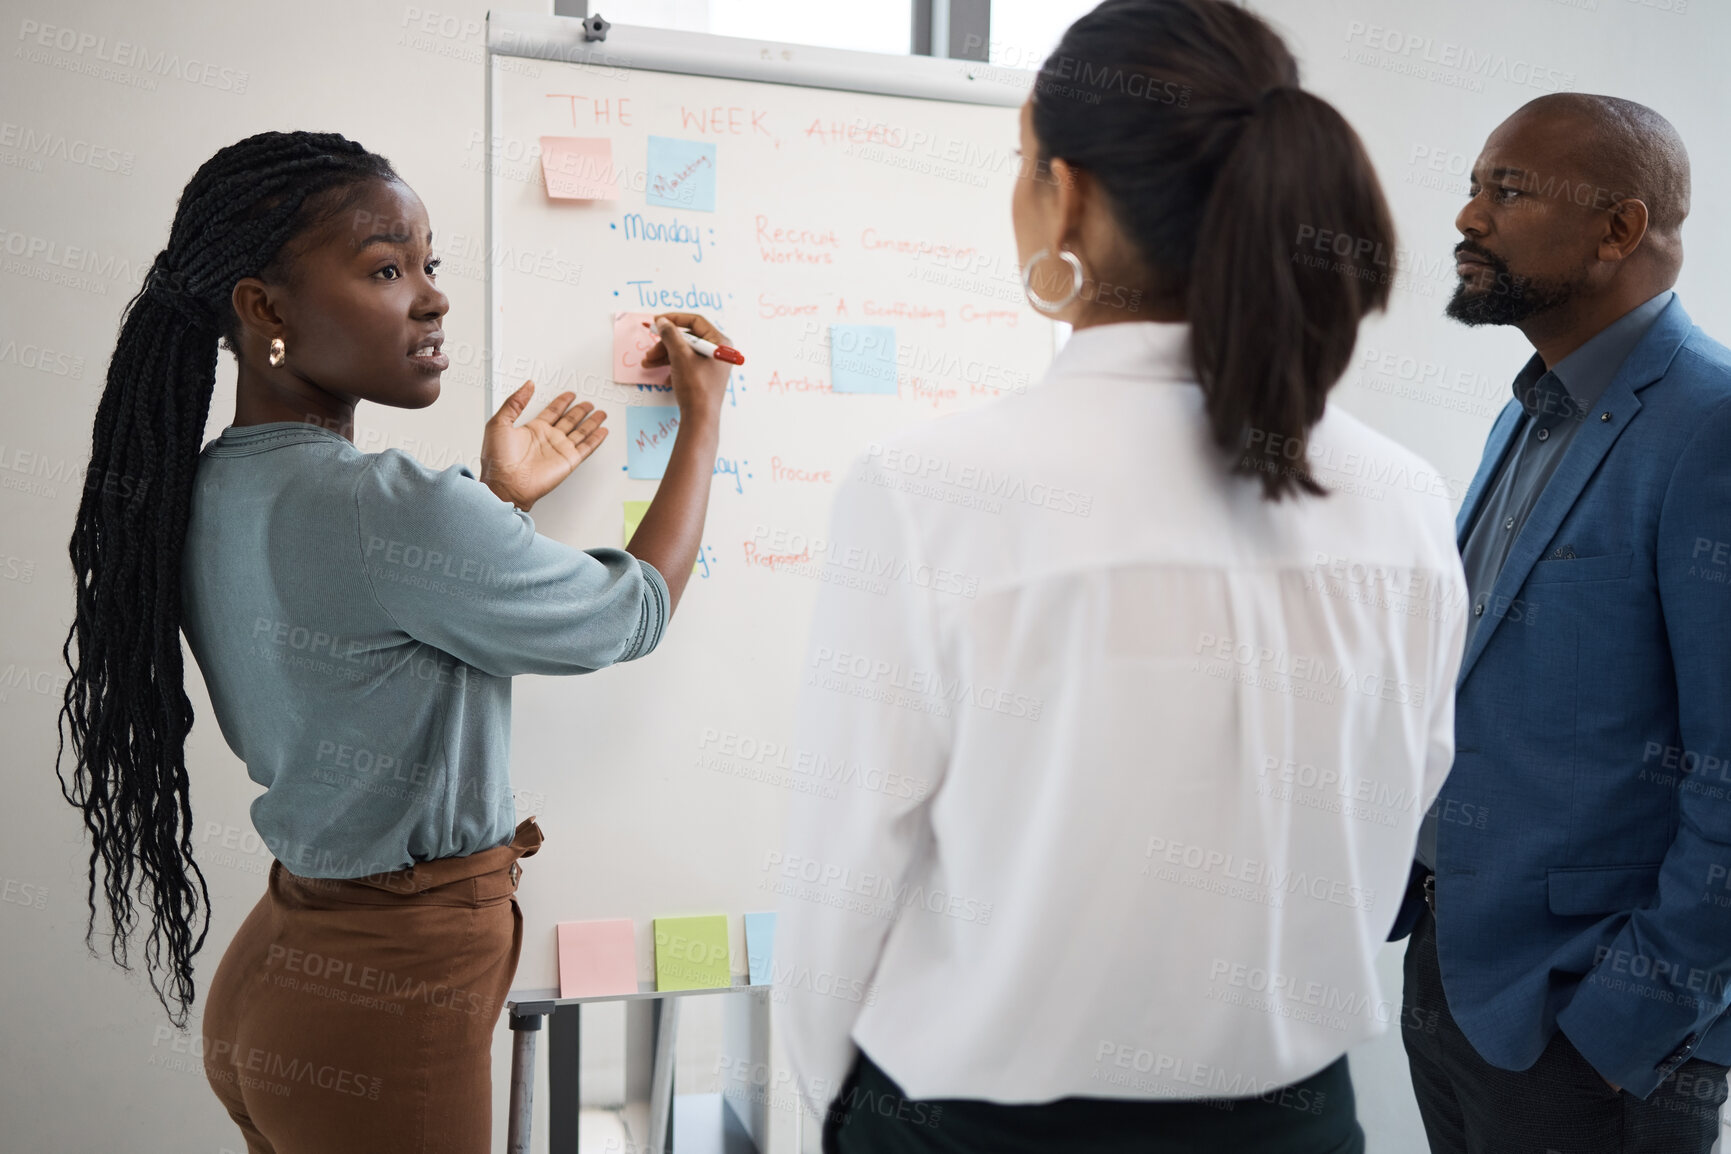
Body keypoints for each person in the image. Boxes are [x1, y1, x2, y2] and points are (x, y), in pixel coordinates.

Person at [771, 2, 1467, 1151]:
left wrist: (836, 1105)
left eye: (1017, 161)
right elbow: (1400, 803)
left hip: (977, 1125)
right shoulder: (1401, 498)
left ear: (1070, 194)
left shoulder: (930, 488)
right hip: (1301, 1122)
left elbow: (845, 878)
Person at [53, 129, 731, 1153]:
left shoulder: (208, 486)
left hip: (284, 966)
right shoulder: (390, 506)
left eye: (428, 264)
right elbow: (624, 613)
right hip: (385, 1000)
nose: (430, 296)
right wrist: (704, 422)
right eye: (384, 268)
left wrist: (492, 502)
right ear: (265, 310)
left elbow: (360, 626)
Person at [1390, 93, 1731, 1153]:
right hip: (1456, 979)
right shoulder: (1527, 409)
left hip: (1592, 1030)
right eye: (1477, 182)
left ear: (1619, 229)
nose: (1468, 215)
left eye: (1509, 189)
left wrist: (1618, 1020)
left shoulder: (1711, 425)